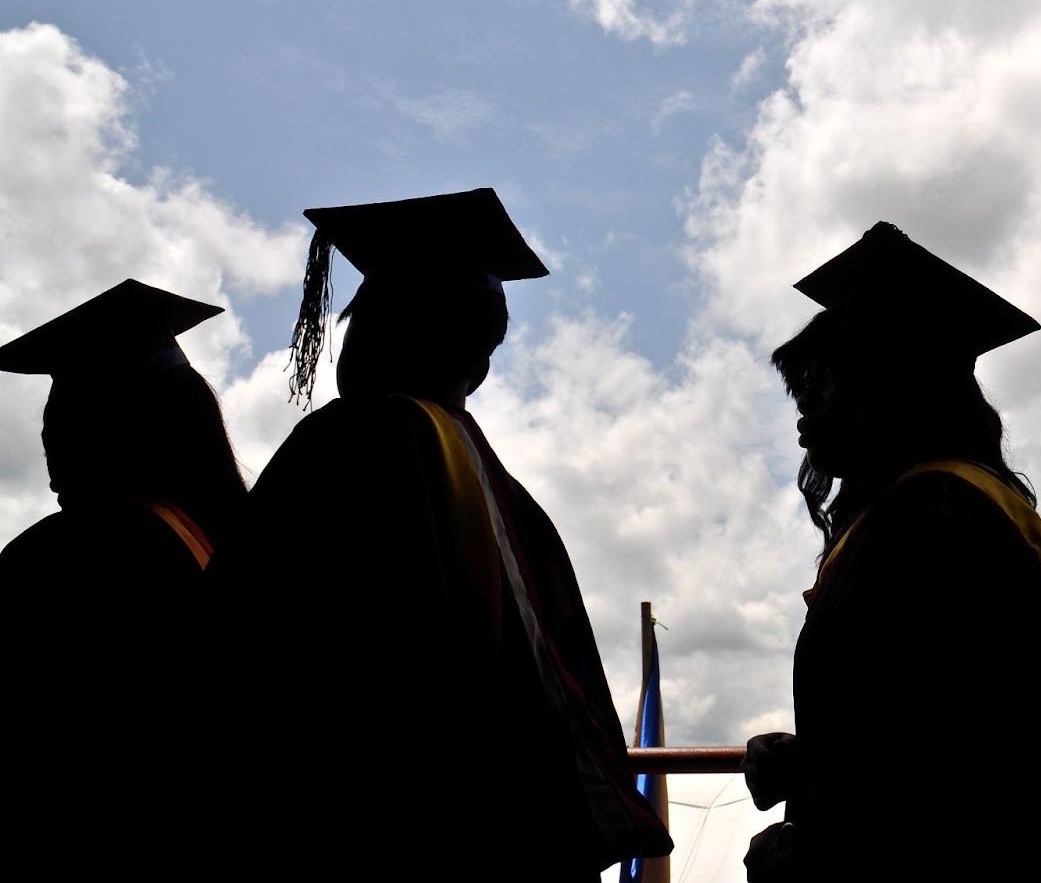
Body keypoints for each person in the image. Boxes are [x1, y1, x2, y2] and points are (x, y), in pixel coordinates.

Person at [214, 189, 670, 878]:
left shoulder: (349, 445)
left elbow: (235, 653)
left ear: (383, 333)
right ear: (478, 361)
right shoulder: (509, 496)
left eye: (362, 321)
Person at [743, 222, 1041, 882]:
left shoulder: (937, 520)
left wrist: (806, 854)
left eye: (827, 371)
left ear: (892, 382)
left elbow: (961, 774)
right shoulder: (944, 507)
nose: (802, 398)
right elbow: (941, 717)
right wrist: (812, 762)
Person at [0, 280, 246, 875]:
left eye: (59, 426)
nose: (50, 457)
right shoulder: (238, 552)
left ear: (108, 429)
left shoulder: (73, 554)